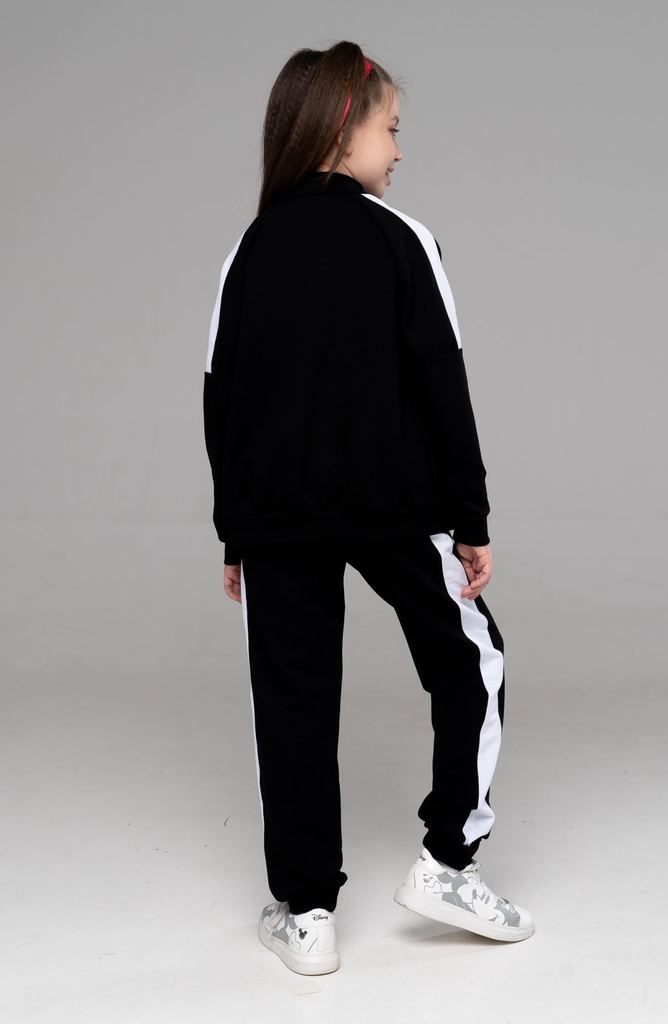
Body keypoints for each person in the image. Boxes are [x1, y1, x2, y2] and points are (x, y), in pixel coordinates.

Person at [203, 40, 534, 976]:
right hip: (395, 505)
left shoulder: (248, 251)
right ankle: (448, 862)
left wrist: (235, 533)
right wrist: (470, 520)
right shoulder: (402, 238)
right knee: (471, 662)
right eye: (391, 128)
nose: (399, 150)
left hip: (275, 517)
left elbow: (221, 398)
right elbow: (443, 383)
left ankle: (306, 915)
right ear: (344, 129)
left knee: (292, 700)